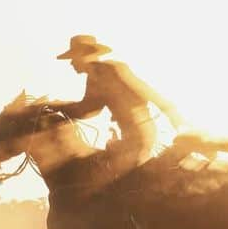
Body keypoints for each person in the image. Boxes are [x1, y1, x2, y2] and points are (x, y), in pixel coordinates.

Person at [46, 34, 184, 174]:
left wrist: (58, 106)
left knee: (116, 178)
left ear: (83, 54)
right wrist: (59, 106)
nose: (71, 63)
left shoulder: (109, 69)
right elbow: (89, 109)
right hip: (135, 134)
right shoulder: (98, 74)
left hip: (138, 136)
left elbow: (147, 92)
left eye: (73, 58)